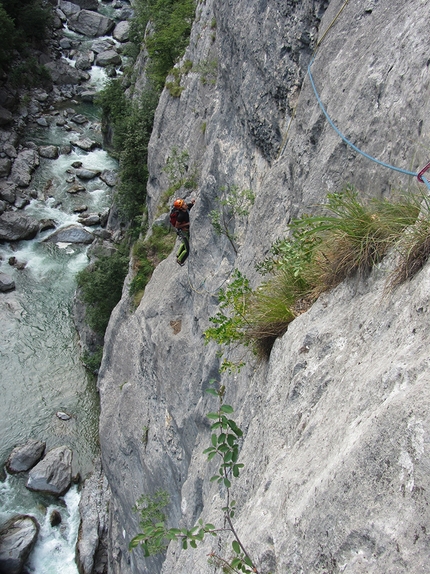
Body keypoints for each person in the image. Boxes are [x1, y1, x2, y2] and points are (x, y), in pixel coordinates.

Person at [174, 198, 195, 265]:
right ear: (180, 208)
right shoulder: (181, 216)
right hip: (183, 232)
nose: (185, 204)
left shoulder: (187, 207)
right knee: (187, 249)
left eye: (184, 203)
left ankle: (178, 254)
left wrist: (193, 202)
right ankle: (180, 260)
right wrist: (187, 224)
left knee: (184, 242)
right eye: (183, 204)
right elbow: (177, 226)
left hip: (185, 231)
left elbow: (192, 205)